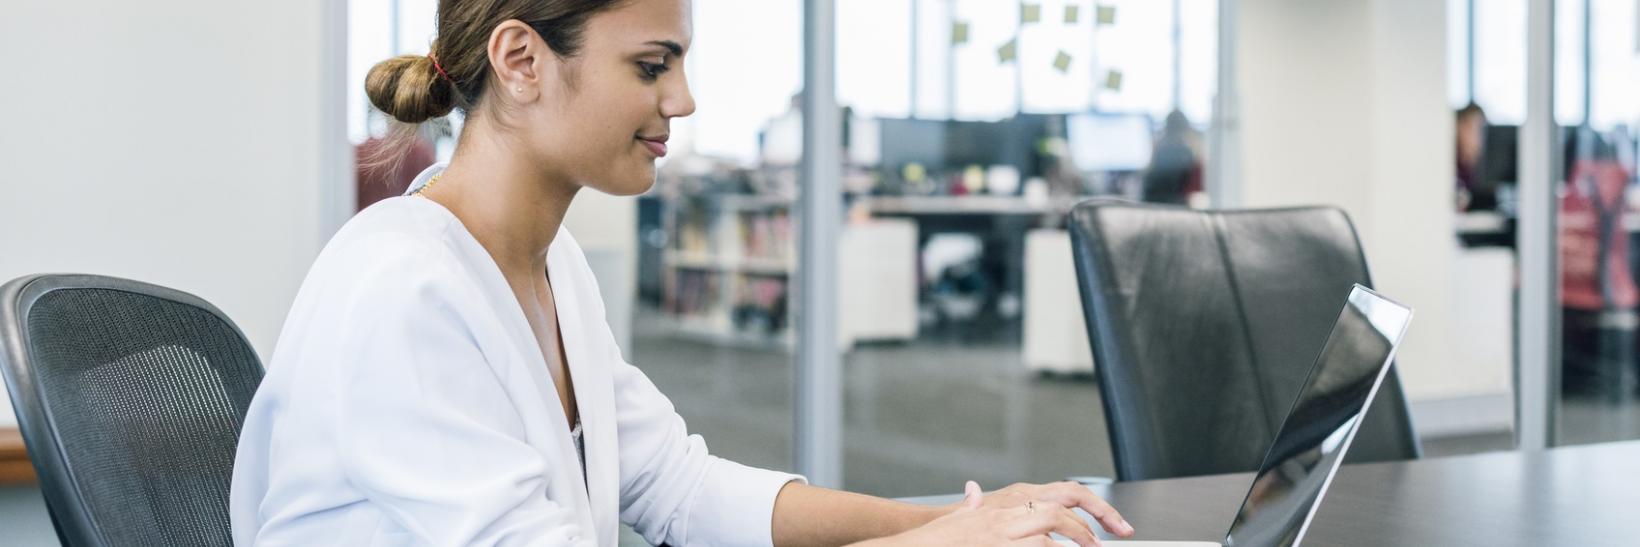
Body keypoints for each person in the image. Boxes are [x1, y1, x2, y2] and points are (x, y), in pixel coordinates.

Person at [228, 1, 1135, 546]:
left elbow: (676, 486)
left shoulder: (552, 269)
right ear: (520, 60)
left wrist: (937, 521)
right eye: (652, 65)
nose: (685, 100)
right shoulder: (400, 290)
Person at [1140, 110, 1202, 205]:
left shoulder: (1159, 151)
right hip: (1177, 209)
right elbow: (1196, 188)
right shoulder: (1188, 154)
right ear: (1185, 129)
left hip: (1153, 209)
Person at [1454, 102, 1487, 212]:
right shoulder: (1447, 164)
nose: (1478, 139)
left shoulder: (1467, 167)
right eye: (1474, 129)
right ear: (1459, 127)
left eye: (1480, 131)